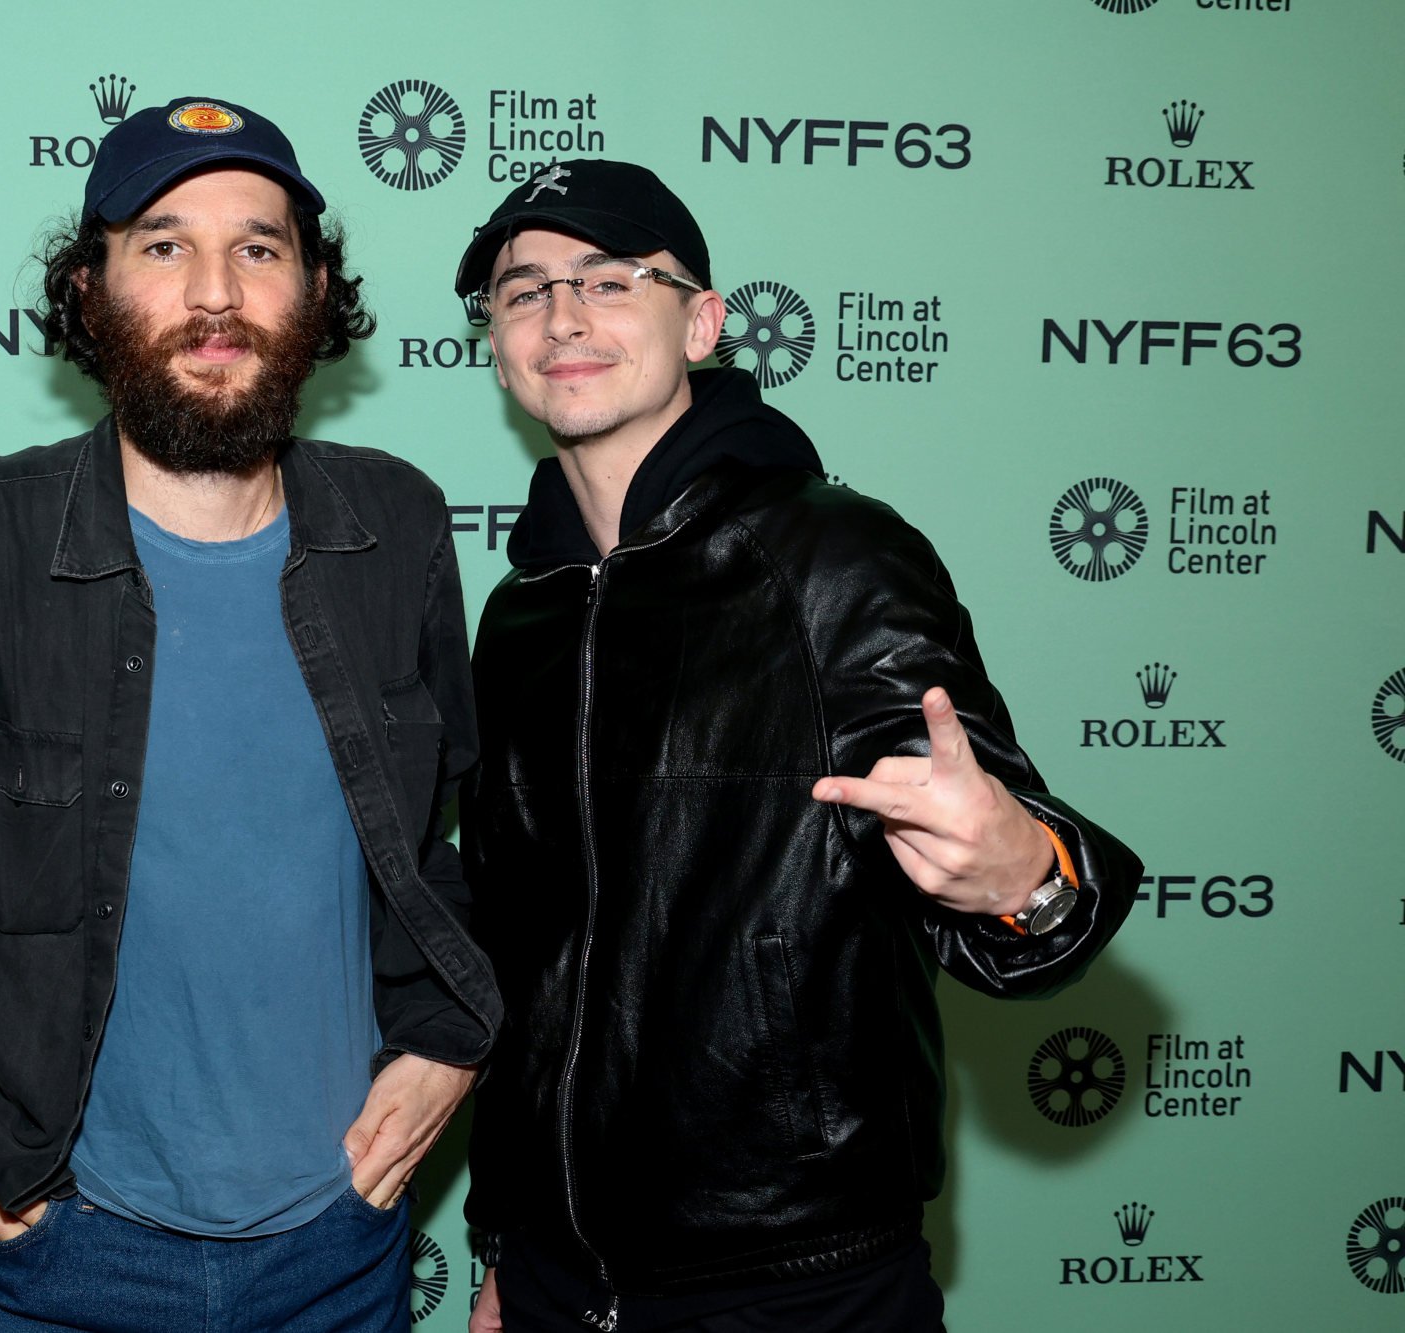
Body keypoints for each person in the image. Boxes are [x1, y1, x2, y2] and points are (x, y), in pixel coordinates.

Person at [0, 96, 496, 1333]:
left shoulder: (396, 531)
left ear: (311, 291)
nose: (214, 291)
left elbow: (442, 840)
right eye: (161, 245)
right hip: (48, 1252)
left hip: (339, 1248)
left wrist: (448, 1040)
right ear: (90, 293)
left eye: (258, 248)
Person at [452, 160, 1140, 1332]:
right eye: (522, 292)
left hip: (796, 1285)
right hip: (559, 1281)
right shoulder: (519, 610)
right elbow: (522, 955)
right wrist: (504, 1246)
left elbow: (1019, 878)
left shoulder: (831, 558)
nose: (560, 316)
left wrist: (1023, 877)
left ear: (702, 323)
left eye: (608, 280)